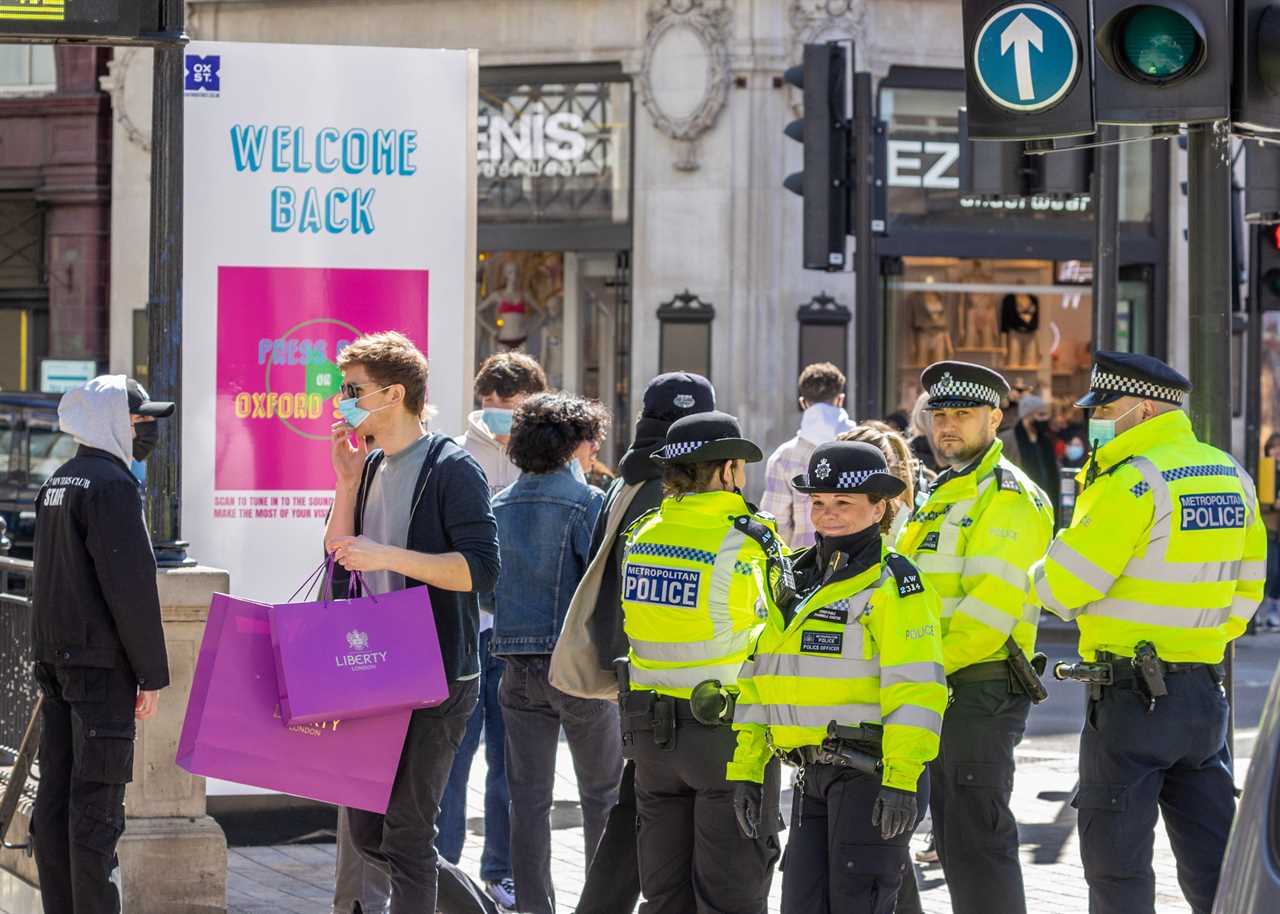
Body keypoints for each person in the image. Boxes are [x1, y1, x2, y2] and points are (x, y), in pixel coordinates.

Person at [1030, 351, 1267, 914]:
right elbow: (1248, 590)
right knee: (1215, 863)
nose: (1097, 419)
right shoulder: (1230, 471)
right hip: (1204, 695)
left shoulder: (1130, 482)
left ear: (1142, 410)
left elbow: (1061, 590)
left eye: (1106, 408)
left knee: (1118, 870)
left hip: (1129, 702)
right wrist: (1198, 639)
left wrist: (1052, 557)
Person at [729, 441, 946, 914]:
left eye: (843, 503)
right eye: (819, 502)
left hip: (873, 773)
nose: (827, 515)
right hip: (813, 774)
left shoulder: (894, 584)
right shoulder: (796, 579)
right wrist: (747, 769)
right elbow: (758, 678)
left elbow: (916, 689)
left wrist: (903, 781)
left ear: (879, 508)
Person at [324, 331, 500, 914]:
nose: (341, 399)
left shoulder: (453, 469)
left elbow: (479, 571)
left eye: (353, 389)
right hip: (374, 669)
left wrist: (390, 557)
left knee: (406, 829)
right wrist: (346, 481)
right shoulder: (369, 465)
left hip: (438, 674)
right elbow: (337, 550)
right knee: (371, 832)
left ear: (393, 394)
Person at [896, 361, 1054, 914]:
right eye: (940, 414)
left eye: (963, 414)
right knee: (948, 836)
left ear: (996, 416)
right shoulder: (945, 492)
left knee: (976, 846)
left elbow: (987, 613)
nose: (947, 426)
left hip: (975, 690)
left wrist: (915, 674)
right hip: (938, 687)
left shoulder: (1008, 496)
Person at [621, 411, 783, 914]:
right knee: (731, 891)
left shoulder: (644, 533)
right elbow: (782, 634)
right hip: (725, 737)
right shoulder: (750, 539)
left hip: (651, 736)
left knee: (665, 893)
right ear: (729, 470)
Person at [573, 371, 717, 914]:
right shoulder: (665, 489)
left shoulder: (628, 479)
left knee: (636, 809)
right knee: (642, 812)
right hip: (658, 674)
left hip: (635, 668)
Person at [31, 375, 173, 914]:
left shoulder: (61, 481)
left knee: (57, 805)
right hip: (99, 671)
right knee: (95, 812)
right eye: (140, 421)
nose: (147, 431)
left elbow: (52, 579)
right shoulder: (112, 487)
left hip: (60, 662)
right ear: (114, 422)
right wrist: (151, 674)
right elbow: (130, 589)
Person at [490, 393, 622, 914]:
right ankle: (600, 904)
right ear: (573, 446)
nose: (594, 452)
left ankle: (533, 907)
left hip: (516, 671)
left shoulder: (497, 505)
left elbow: (485, 592)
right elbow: (602, 591)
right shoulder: (588, 503)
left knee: (527, 801)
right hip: (579, 670)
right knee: (602, 795)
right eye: (591, 442)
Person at [442, 352, 547, 909]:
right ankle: (442, 867)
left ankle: (500, 870)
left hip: (522, 633)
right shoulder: (458, 457)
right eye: (493, 405)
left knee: (511, 763)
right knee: (453, 756)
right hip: (467, 628)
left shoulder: (545, 461)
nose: (501, 416)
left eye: (513, 407)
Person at [761, 362, 855, 549]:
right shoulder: (866, 444)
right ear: (840, 400)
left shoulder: (783, 457)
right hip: (862, 563)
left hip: (806, 566)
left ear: (803, 403)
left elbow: (775, 525)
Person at [999, 393, 1060, 501]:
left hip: (1046, 500)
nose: (1045, 419)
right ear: (1027, 416)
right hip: (1019, 501)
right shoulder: (1007, 440)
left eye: (1046, 415)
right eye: (1041, 414)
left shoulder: (1046, 439)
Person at [1261, 432, 1280, 630]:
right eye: (1273, 448)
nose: (1277, 452)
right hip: (1269, 527)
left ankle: (1273, 609)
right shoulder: (1264, 469)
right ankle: (1266, 610)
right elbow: (1264, 501)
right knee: (1271, 570)